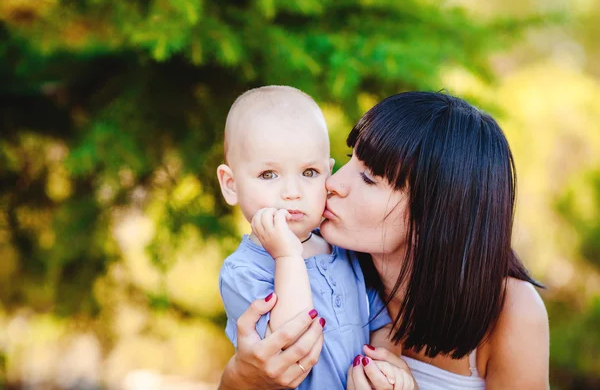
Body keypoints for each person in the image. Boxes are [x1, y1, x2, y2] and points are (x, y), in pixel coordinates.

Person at [218, 91, 550, 390]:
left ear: (433, 213)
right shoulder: (330, 260)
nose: (333, 183)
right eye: (351, 159)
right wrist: (241, 377)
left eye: (368, 178)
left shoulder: (511, 311)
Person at [216, 86, 411, 389]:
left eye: (309, 172)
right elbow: (289, 346)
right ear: (230, 184)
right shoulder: (243, 271)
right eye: (269, 174)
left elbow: (382, 321)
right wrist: (287, 257)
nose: (292, 192)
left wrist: (383, 364)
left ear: (327, 173)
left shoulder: (344, 250)